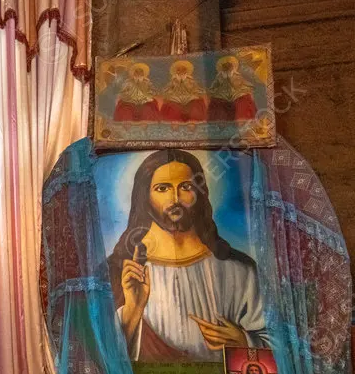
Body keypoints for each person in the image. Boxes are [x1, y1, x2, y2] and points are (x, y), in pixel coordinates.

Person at [108, 149, 268, 362]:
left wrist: (244, 342)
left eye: (186, 187)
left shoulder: (240, 270)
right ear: (144, 196)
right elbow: (95, 356)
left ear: (199, 194)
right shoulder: (121, 272)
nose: (175, 199)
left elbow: (281, 345)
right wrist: (131, 311)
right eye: (162, 188)